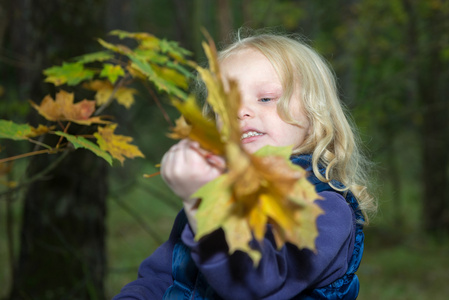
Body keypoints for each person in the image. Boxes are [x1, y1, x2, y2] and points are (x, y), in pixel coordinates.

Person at [113, 31, 376, 300]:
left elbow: (257, 284)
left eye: (265, 98)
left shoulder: (325, 209)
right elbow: (160, 278)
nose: (241, 112)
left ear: (315, 116)